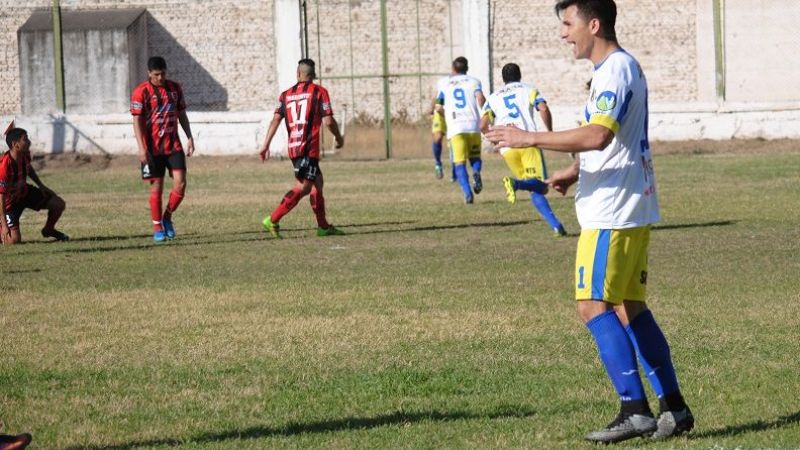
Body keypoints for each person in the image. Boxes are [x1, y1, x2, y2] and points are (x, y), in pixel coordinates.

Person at [486, 0, 693, 443]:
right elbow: (615, 137)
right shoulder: (618, 70)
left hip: (612, 211)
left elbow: (598, 136)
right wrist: (574, 171)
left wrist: (528, 137)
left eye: (568, 24)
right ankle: (673, 407)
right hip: (628, 203)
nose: (563, 34)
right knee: (627, 306)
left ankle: (635, 410)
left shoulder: (615, 70)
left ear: (593, 24)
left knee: (592, 304)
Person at [258, 58, 345, 239]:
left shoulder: (285, 95)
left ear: (298, 74)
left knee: (317, 184)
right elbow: (328, 121)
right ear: (313, 76)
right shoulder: (320, 92)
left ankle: (323, 226)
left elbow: (275, 119)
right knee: (304, 187)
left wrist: (266, 144)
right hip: (308, 148)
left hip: (294, 147)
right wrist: (338, 137)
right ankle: (272, 220)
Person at [479, 63, 567, 236]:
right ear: (520, 75)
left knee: (533, 187)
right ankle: (515, 183)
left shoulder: (493, 97)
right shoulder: (529, 89)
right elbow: (543, 108)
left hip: (507, 146)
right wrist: (549, 132)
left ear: (503, 80)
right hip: (527, 141)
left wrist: (493, 138)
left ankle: (556, 226)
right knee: (541, 186)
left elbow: (482, 124)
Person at [131, 56, 195, 242]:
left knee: (181, 184)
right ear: (149, 73)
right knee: (156, 188)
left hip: (173, 145)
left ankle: (167, 217)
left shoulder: (175, 88)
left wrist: (189, 136)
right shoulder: (140, 92)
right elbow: (136, 121)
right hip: (152, 150)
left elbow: (181, 113)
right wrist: (141, 148)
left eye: (163, 74)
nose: (161, 78)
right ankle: (157, 225)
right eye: (157, 74)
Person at [0, 127, 68, 245]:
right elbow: (0, 199)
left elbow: (28, 168)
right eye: (25, 139)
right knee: (13, 241)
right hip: (8, 205)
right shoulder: (4, 167)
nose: (29, 142)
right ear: (15, 144)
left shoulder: (25, 155)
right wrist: (5, 226)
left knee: (58, 204)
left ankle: (48, 230)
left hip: (24, 193)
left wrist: (41, 185)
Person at [435, 57, 486, 203]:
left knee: (459, 163)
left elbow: (438, 107)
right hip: (473, 125)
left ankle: (467, 192)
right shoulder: (474, 81)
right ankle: (476, 172)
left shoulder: (444, 84)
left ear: (453, 69)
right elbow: (480, 98)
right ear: (467, 68)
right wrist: (484, 112)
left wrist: (449, 116)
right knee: (475, 157)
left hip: (456, 127)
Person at [429, 82, 455, 182]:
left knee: (453, 146)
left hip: (454, 116)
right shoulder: (444, 86)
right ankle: (438, 163)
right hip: (440, 116)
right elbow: (436, 102)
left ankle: (454, 174)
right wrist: (431, 110)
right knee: (438, 138)